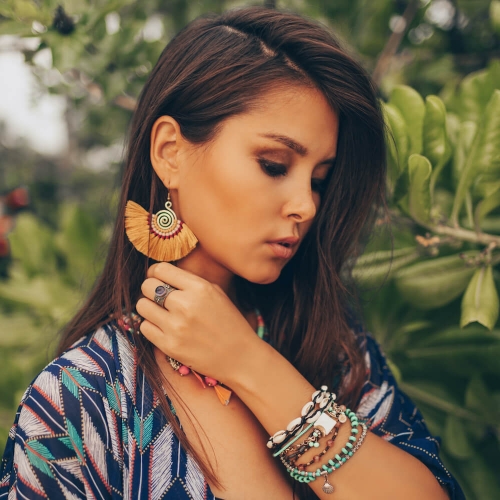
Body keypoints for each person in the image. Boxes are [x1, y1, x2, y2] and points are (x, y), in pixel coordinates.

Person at [0, 6, 465, 500]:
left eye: (320, 180)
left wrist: (249, 363)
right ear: (170, 153)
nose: (306, 205)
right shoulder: (79, 400)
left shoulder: (332, 344)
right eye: (273, 164)